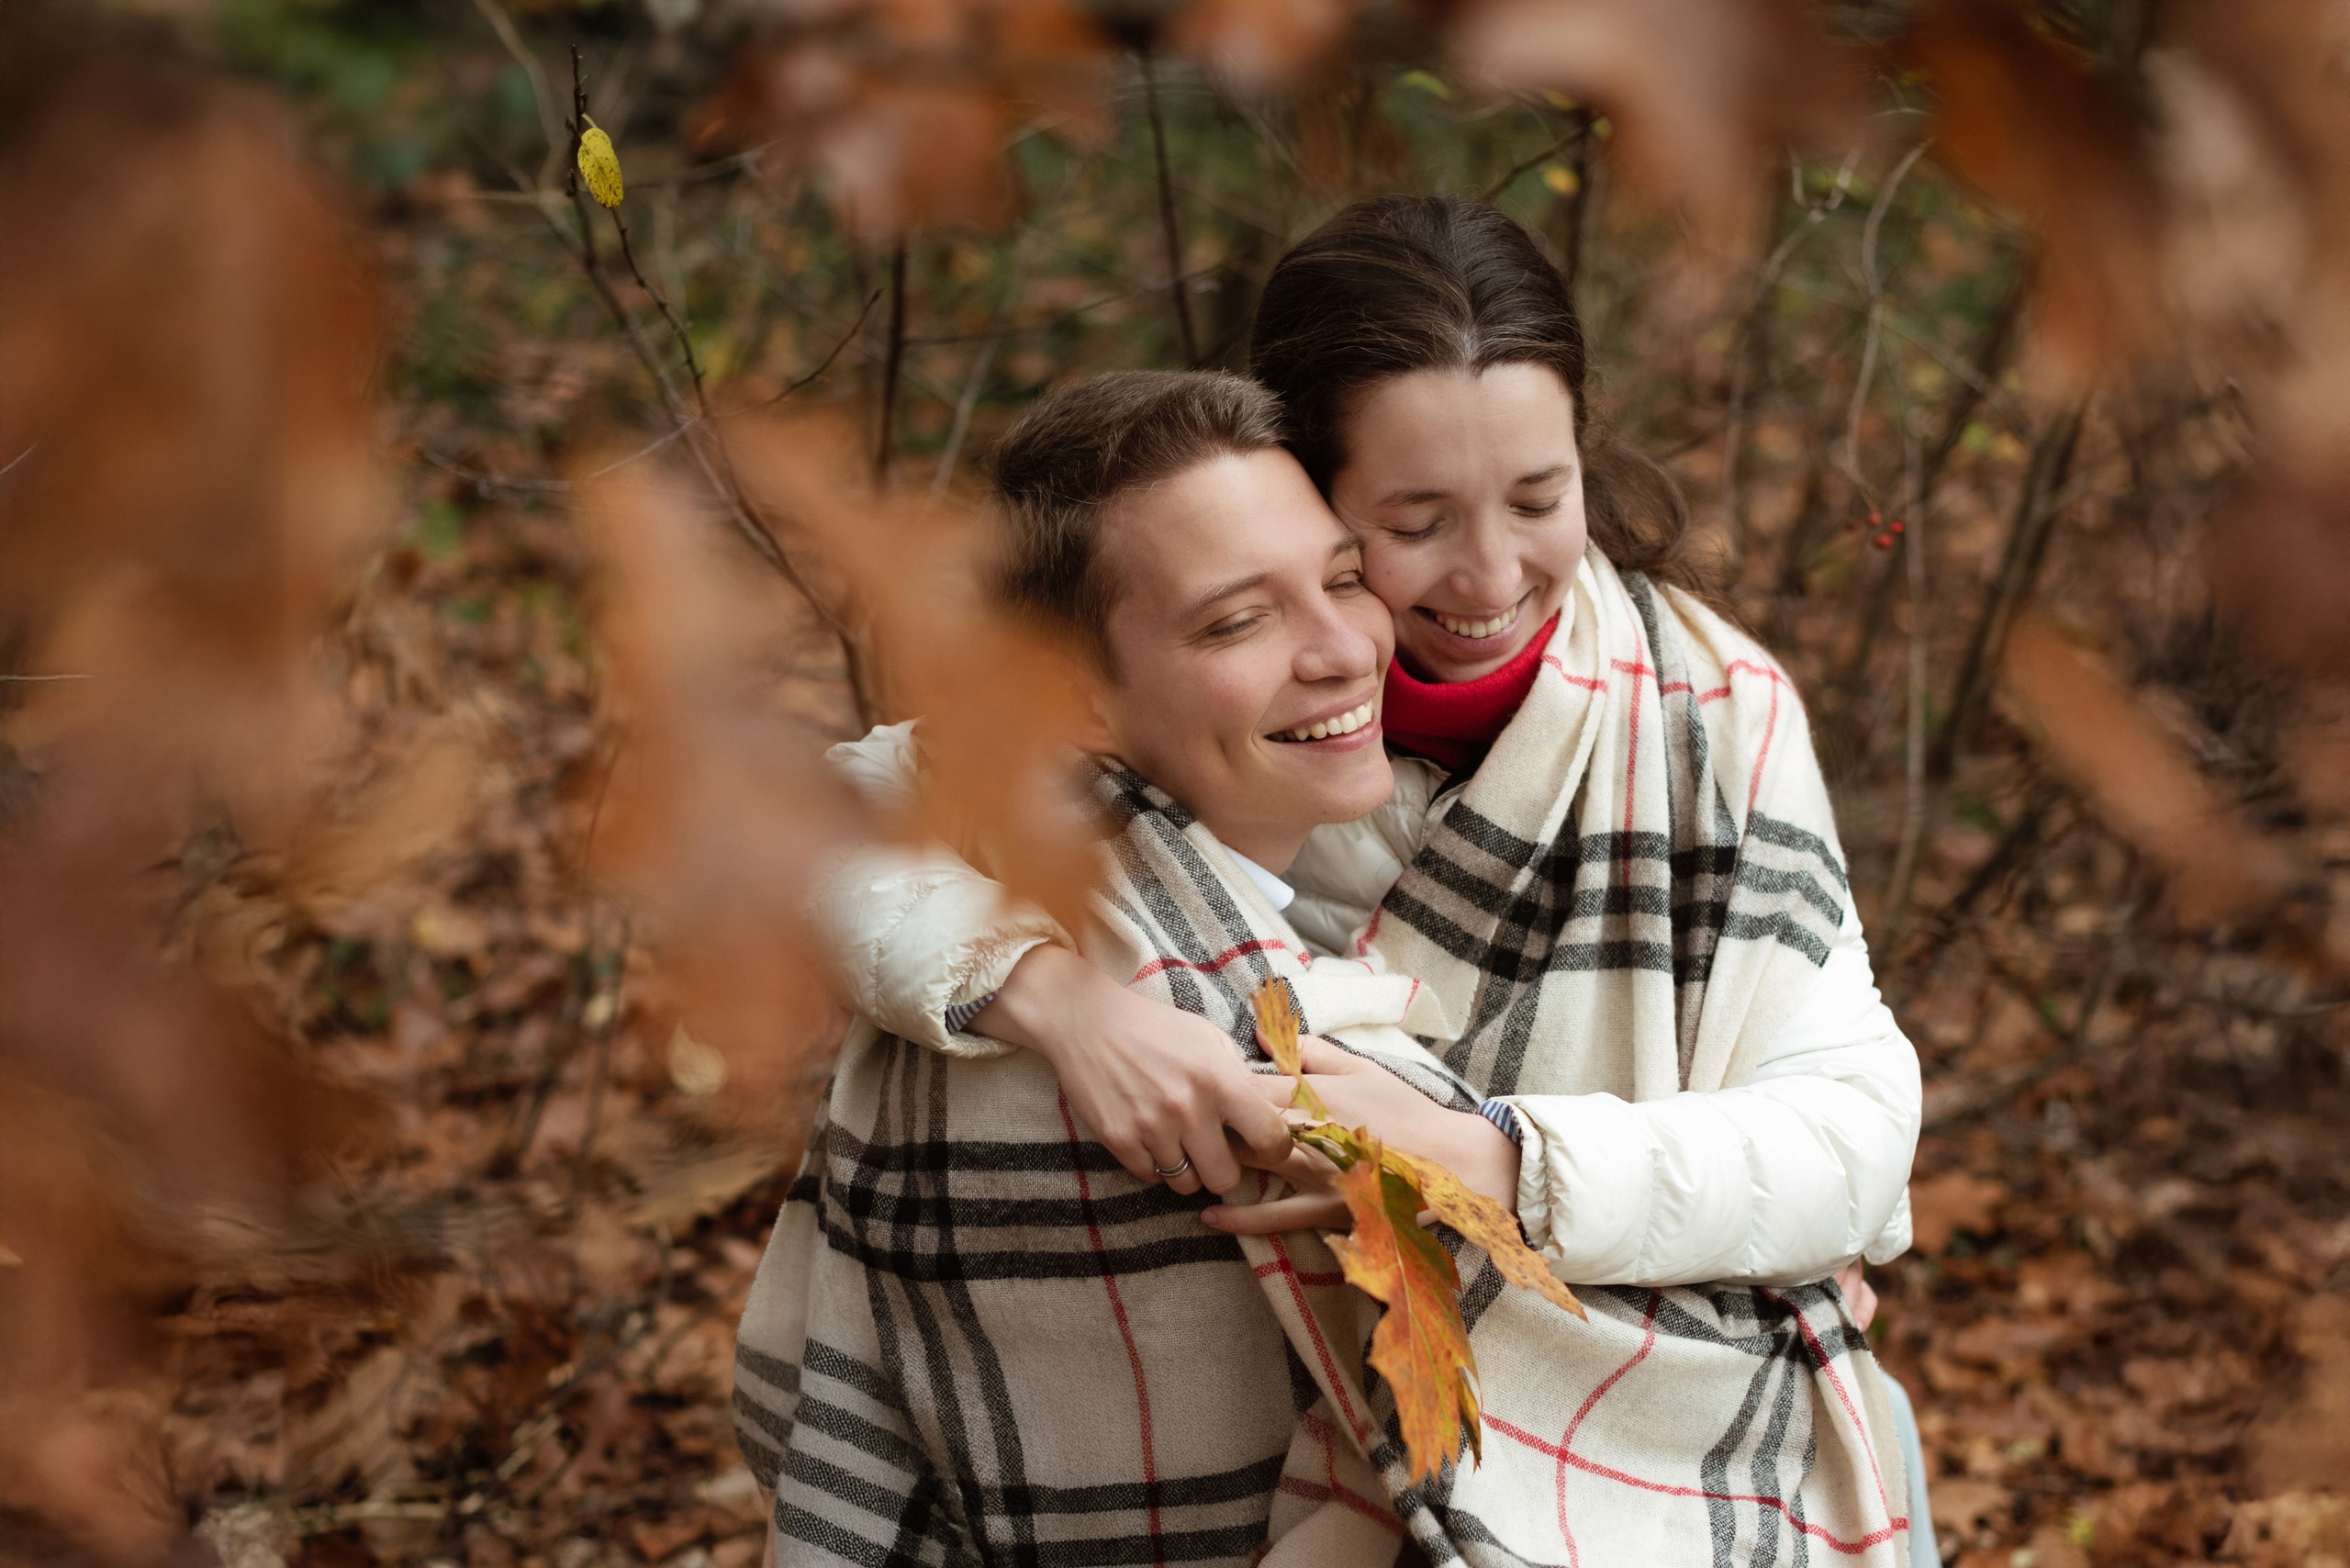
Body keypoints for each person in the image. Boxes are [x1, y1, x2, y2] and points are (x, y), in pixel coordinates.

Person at [805, 197, 1931, 1565]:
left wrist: (1500, 1164)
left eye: (1539, 497)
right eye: (1412, 521)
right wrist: (1056, 999)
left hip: (1627, 1439)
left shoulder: (1706, 718)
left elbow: (1853, 1147)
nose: (1492, 575)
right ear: (1301, 483)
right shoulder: (1212, 712)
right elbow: (822, 819)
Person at [737, 370, 1494, 1568]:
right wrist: (1065, 1002)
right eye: (1239, 621)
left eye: (1345, 579)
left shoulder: (1388, 832)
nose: (1346, 648)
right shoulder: (1179, 1028)